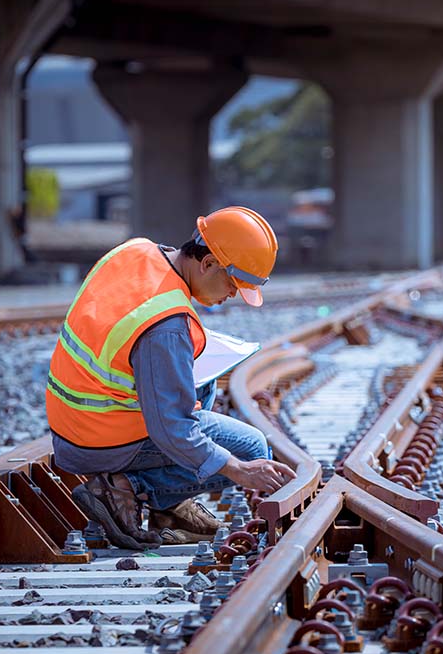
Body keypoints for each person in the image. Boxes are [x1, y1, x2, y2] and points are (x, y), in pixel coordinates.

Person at [46, 206, 296, 549]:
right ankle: (126, 488)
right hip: (98, 438)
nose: (233, 295)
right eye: (233, 283)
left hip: (72, 421)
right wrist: (238, 468)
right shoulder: (166, 327)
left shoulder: (137, 250)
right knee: (252, 448)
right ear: (207, 263)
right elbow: (172, 429)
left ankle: (167, 506)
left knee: (200, 380)